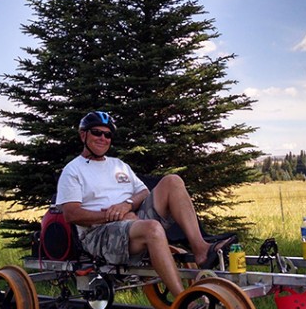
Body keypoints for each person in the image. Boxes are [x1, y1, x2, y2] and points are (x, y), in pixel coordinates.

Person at [55, 111, 233, 298]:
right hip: (98, 234)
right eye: (97, 132)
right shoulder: (73, 170)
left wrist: (127, 205)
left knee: (172, 181)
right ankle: (184, 301)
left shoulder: (118, 165)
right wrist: (116, 216)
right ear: (83, 135)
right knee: (152, 228)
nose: (103, 138)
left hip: (131, 222)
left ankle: (200, 249)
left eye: (107, 135)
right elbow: (71, 214)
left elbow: (143, 192)